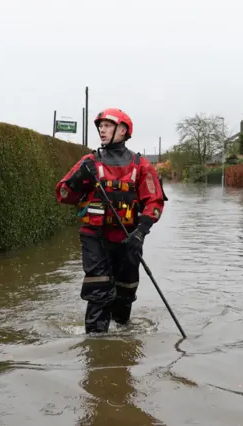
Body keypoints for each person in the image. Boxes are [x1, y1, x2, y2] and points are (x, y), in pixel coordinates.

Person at [54, 108, 167, 334]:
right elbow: (63, 195)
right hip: (95, 237)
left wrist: (140, 233)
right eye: (101, 126)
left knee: (126, 292)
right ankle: (96, 345)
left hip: (129, 239)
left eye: (107, 126)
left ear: (123, 130)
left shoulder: (141, 165)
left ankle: (121, 342)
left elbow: (154, 202)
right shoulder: (89, 162)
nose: (102, 130)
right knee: (99, 289)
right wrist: (78, 179)